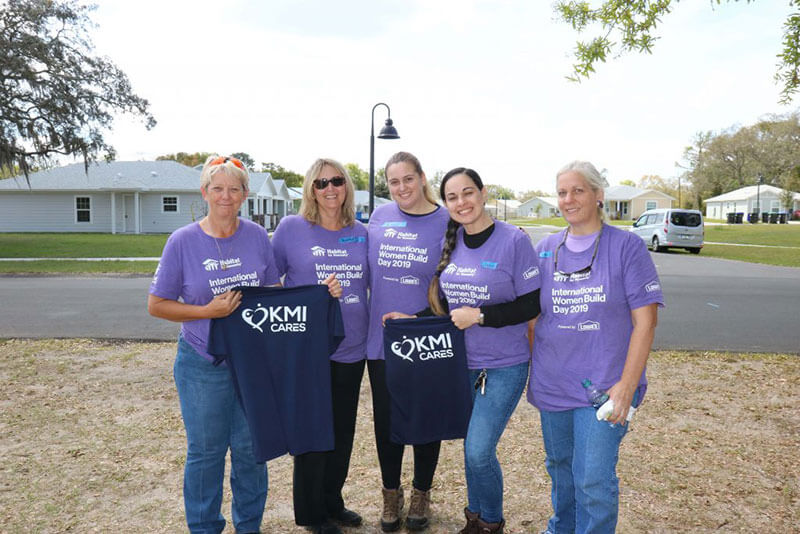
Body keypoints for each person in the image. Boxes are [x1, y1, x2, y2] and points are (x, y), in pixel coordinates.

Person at [384, 167, 542, 534]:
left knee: (478, 449)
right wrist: (413, 318)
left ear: (483, 193)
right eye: (452, 197)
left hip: (504, 365)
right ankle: (474, 516)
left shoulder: (513, 240)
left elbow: (531, 304)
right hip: (458, 365)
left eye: (468, 193)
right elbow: (448, 307)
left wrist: (481, 316)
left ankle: (491, 521)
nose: (461, 202)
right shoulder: (452, 240)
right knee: (472, 446)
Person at [528, 161, 663, 534]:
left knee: (592, 480)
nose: (568, 199)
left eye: (578, 190)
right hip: (553, 384)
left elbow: (646, 322)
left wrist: (626, 385)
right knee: (561, 470)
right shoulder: (545, 249)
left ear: (598, 195)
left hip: (605, 387)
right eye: (562, 192)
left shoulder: (627, 248)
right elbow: (532, 318)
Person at [147, 155, 280, 534]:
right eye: (217, 188)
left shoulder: (256, 236)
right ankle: (205, 527)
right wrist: (207, 310)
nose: (226, 195)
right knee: (206, 453)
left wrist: (321, 293)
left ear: (244, 195)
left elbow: (272, 293)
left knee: (252, 452)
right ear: (205, 192)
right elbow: (156, 304)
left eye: (234, 189)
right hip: (203, 363)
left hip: (251, 361)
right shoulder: (183, 241)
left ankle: (248, 526)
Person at [271, 158, 367, 534]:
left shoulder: (361, 231)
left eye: (337, 181)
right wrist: (308, 298)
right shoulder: (291, 229)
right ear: (311, 189)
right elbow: (269, 282)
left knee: (342, 432)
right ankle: (311, 514)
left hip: (352, 347)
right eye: (321, 183)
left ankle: (332, 501)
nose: (330, 189)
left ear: (346, 187)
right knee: (313, 430)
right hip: (308, 349)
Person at [366, 151, 450, 532]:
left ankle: (420, 493)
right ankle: (390, 493)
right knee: (386, 420)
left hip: (425, 334)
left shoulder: (447, 220)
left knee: (424, 418)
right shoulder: (380, 217)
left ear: (422, 178)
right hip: (381, 338)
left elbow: (456, 284)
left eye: (408, 179)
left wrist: (418, 320)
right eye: (394, 182)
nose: (401, 188)